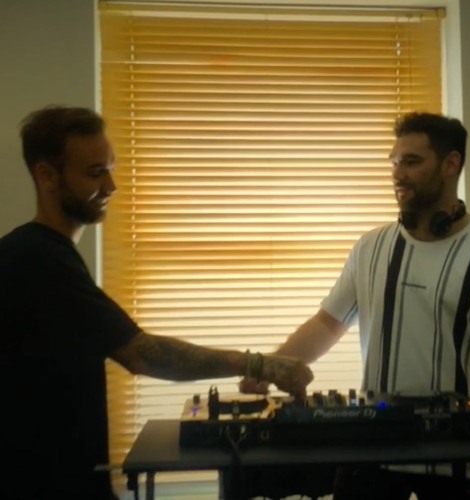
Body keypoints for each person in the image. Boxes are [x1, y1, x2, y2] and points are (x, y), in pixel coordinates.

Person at [0, 105, 313, 500]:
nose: (111, 186)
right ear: (47, 175)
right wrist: (258, 363)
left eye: (111, 169)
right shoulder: (37, 260)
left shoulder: (41, 254)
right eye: (95, 173)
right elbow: (144, 354)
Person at [242, 111, 470, 499]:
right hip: (372, 454)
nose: (398, 174)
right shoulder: (371, 248)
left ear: (450, 164)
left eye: (411, 162)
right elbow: (327, 325)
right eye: (394, 163)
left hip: (459, 459)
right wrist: (268, 367)